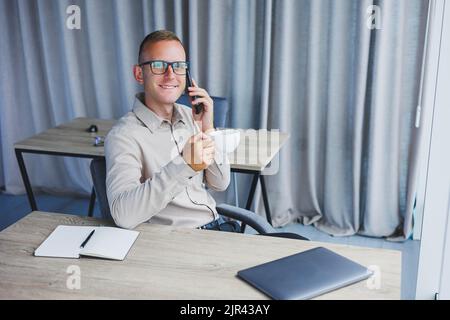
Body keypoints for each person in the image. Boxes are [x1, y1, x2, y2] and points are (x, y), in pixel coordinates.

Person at [104, 30, 239, 232]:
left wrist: (208, 127)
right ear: (139, 74)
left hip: (217, 228)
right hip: (179, 241)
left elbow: (220, 183)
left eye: (179, 66)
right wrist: (184, 164)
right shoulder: (123, 136)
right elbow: (123, 214)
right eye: (158, 65)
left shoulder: (189, 115)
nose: (171, 75)